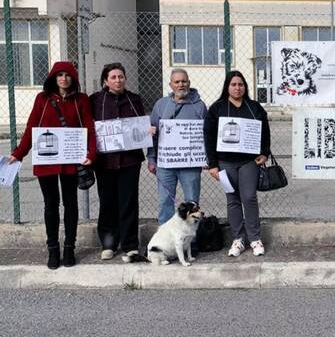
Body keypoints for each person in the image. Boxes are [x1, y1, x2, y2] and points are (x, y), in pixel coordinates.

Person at [7, 61, 96, 269]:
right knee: (51, 205)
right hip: (47, 161)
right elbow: (31, 127)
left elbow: (89, 128)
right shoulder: (43, 99)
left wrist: (91, 154)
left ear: (73, 78)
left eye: (67, 75)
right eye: (59, 75)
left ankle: (69, 248)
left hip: (70, 160)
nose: (63, 79)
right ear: (53, 78)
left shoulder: (81, 100)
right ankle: (53, 249)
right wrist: (18, 154)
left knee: (70, 204)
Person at [203, 71, 271, 257]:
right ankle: (238, 239)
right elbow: (208, 137)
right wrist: (213, 164)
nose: (237, 88)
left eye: (240, 84)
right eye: (233, 84)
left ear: (245, 87)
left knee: (249, 197)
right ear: (227, 87)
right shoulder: (217, 108)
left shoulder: (254, 107)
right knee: (232, 200)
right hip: (225, 163)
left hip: (248, 162)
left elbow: (265, 131)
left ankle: (254, 238)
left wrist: (264, 153)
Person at [90, 63, 147, 260]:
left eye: (121, 76)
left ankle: (130, 244)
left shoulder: (134, 99)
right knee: (107, 203)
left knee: (128, 202)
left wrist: (147, 132)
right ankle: (109, 244)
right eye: (113, 77)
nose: (117, 80)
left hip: (130, 161)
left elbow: (141, 126)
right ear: (105, 81)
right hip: (104, 162)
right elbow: (90, 128)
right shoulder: (96, 100)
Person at [147, 69, 208, 225]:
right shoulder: (161, 105)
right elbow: (152, 134)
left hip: (190, 164)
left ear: (189, 83)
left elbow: (207, 134)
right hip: (166, 164)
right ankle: (165, 241)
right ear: (171, 85)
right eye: (177, 82)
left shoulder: (200, 106)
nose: (181, 85)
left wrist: (206, 157)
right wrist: (152, 158)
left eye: (184, 81)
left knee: (192, 202)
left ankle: (192, 242)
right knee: (165, 202)